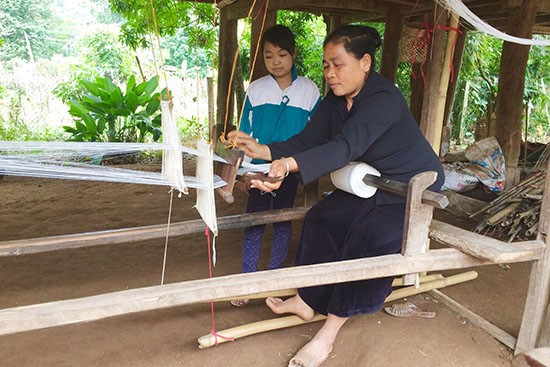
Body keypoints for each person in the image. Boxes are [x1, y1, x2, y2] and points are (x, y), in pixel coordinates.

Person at [228, 24, 444, 366]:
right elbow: (309, 139)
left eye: (338, 64)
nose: (330, 73)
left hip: (412, 183)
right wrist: (264, 149)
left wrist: (286, 166)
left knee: (369, 236)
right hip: (373, 180)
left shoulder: (383, 99)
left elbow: (344, 147)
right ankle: (307, 298)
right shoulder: (336, 100)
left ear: (365, 62)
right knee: (321, 218)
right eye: (326, 65)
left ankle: (327, 333)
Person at [231, 24, 321, 307]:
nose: (276, 62)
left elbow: (318, 131)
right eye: (269, 56)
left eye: (282, 54)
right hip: (258, 169)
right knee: (254, 221)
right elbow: (245, 131)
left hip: (289, 168)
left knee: (282, 221)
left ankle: (273, 280)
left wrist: (303, 164)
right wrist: (243, 172)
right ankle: (247, 282)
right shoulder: (256, 89)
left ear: (293, 54)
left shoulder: (309, 90)